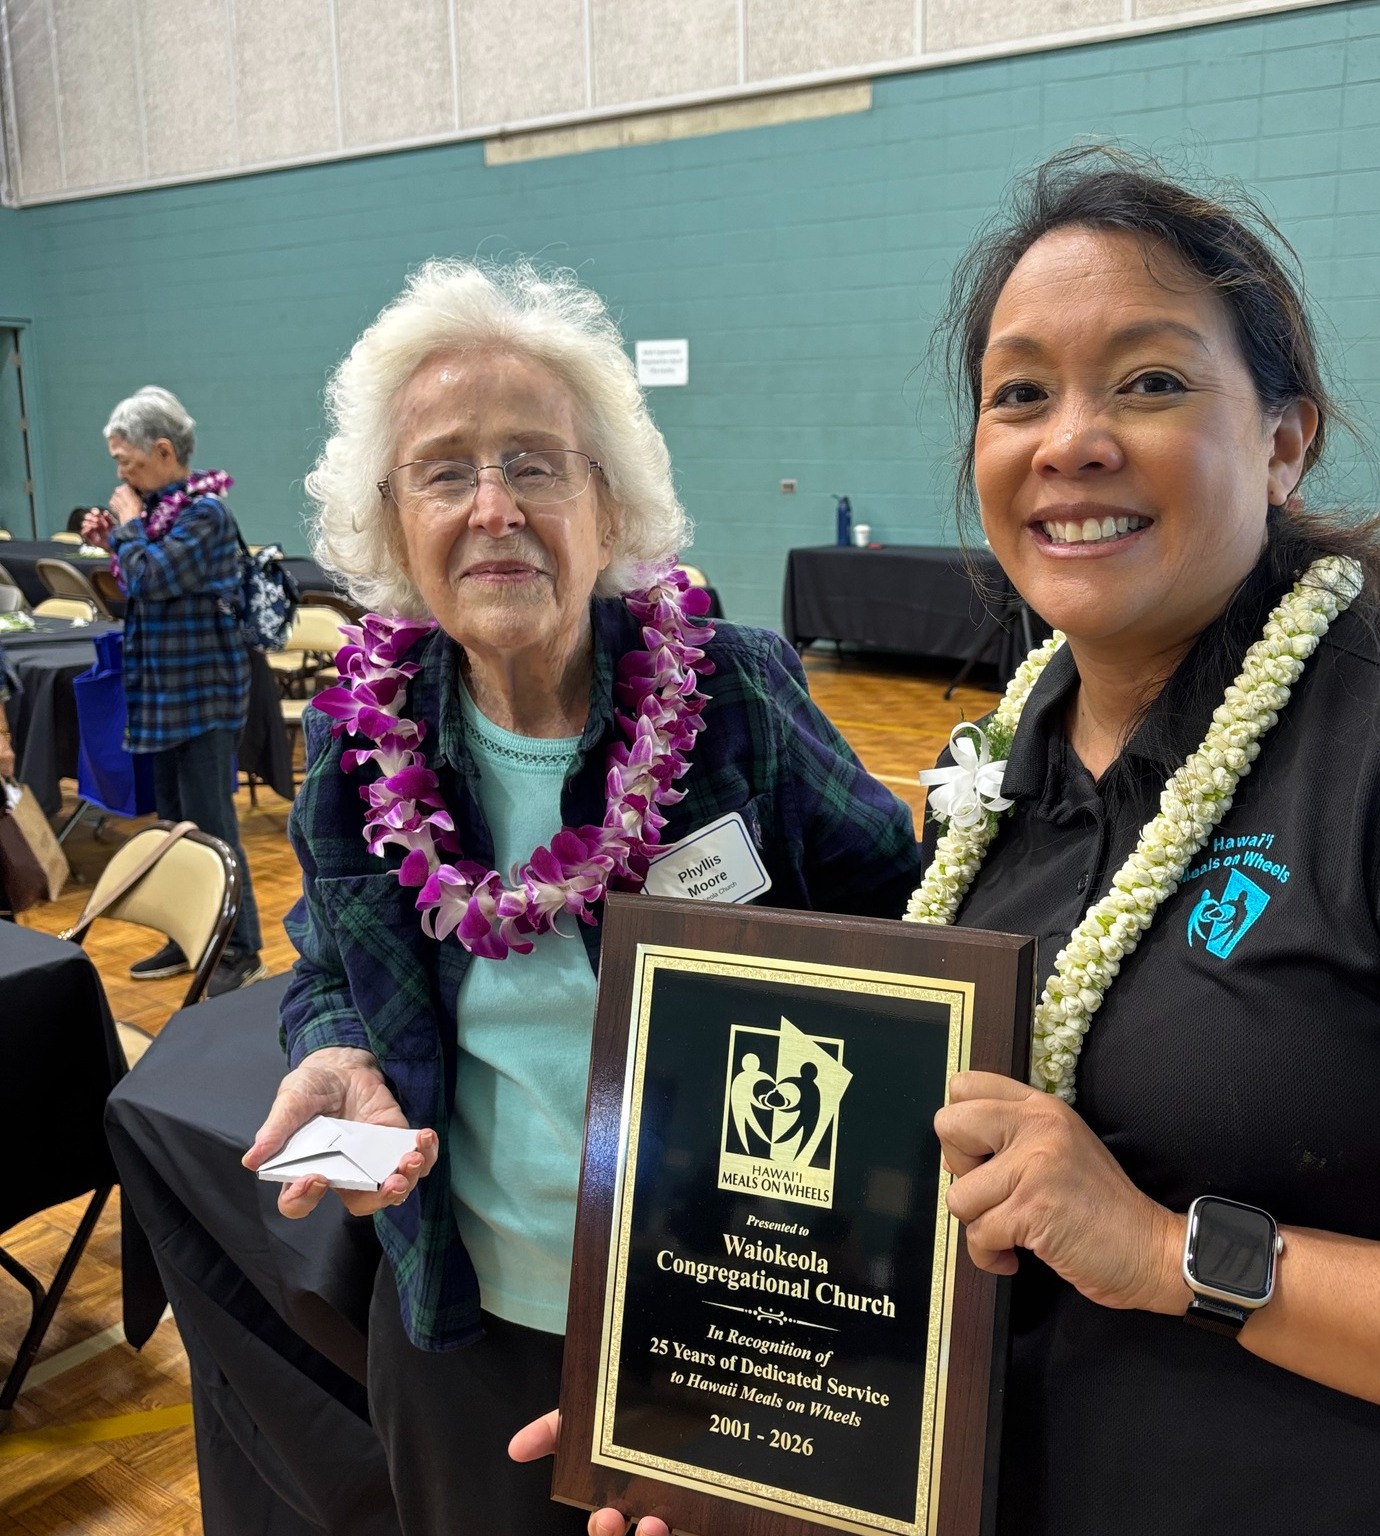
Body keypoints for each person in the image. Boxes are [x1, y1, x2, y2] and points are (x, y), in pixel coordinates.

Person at [897, 150, 1380, 1532]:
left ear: (1285, 439)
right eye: (1019, 394)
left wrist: (1170, 1253)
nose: (1069, 439)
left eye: (1151, 381)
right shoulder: (991, 768)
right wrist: (705, 1412)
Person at [240, 260, 920, 1536]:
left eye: (536, 465)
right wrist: (335, 1046)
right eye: (445, 471)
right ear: (393, 524)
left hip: (725, 1305)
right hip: (463, 1304)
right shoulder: (355, 733)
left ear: (609, 505)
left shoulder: (737, 693)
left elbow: (907, 925)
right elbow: (330, 953)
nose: (492, 507)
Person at [79, 388, 265, 994]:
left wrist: (128, 530)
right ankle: (189, 931)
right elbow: (137, 575)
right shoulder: (160, 512)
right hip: (162, 697)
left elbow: (153, 576)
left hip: (203, 697)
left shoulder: (206, 514)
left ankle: (240, 947)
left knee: (213, 827)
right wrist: (115, 536)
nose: (120, 473)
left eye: (126, 461)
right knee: (174, 827)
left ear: (163, 450)